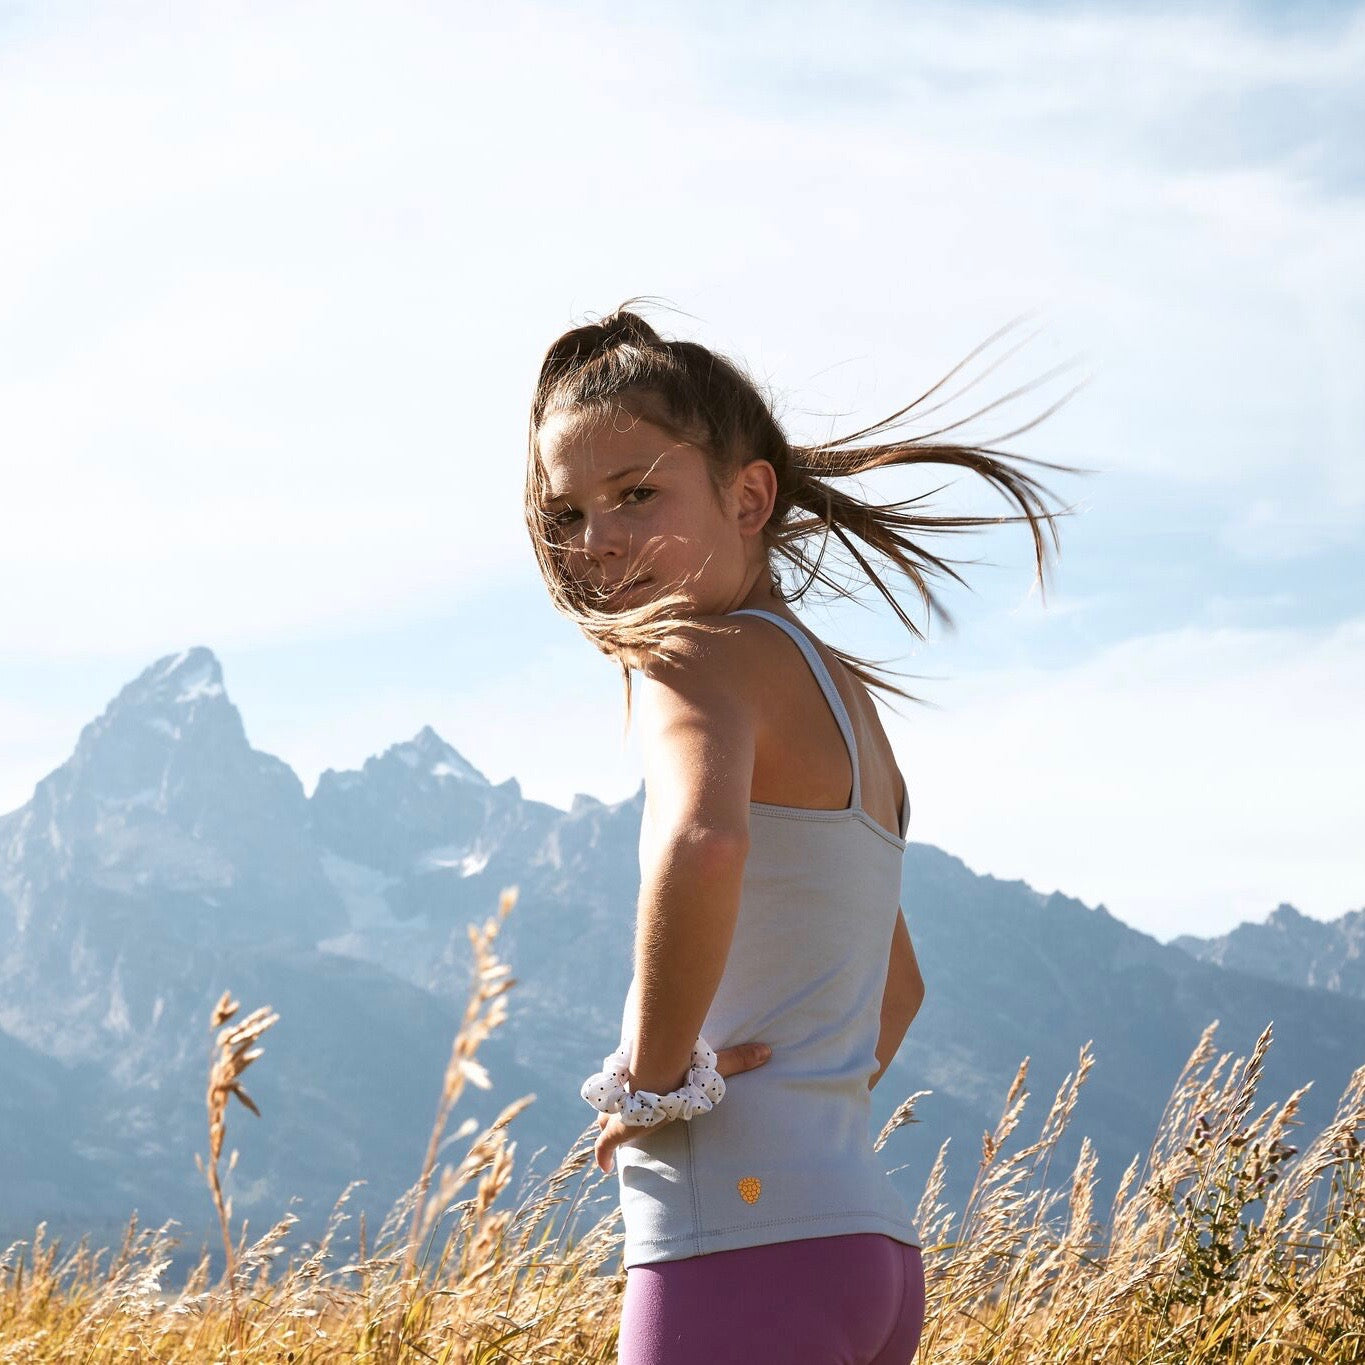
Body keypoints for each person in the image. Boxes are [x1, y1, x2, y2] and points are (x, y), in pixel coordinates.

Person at [524, 303, 1081, 1364]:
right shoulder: (844, 703)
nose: (597, 541)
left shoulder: (695, 658)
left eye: (637, 494)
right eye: (570, 514)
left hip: (734, 1252)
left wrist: (654, 1088)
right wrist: (798, 1124)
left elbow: (704, 845)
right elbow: (899, 988)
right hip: (864, 1251)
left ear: (749, 496)